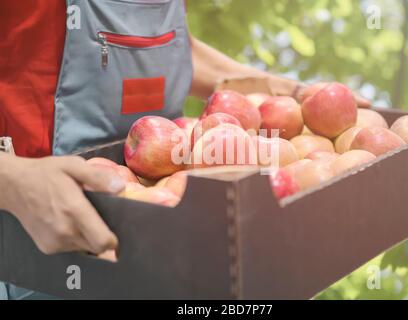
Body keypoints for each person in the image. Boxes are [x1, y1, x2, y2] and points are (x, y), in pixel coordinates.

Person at [0, 0, 370, 299]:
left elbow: (166, 47)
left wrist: (293, 93)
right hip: (37, 251)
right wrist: (12, 179)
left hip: (163, 238)